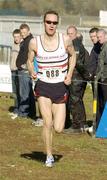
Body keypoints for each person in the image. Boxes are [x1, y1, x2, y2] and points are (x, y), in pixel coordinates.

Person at [27, 10, 76, 167]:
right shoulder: (35, 42)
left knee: (59, 128)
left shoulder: (65, 40)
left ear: (57, 24)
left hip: (60, 86)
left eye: (54, 23)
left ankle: (50, 143)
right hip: (43, 86)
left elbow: (73, 55)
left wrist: (69, 74)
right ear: (44, 22)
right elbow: (29, 61)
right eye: (49, 22)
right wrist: (32, 71)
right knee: (47, 122)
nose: (51, 25)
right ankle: (49, 156)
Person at [64, 25, 90, 133]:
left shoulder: (76, 45)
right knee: (76, 101)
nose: (70, 35)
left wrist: (85, 75)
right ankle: (81, 124)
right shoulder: (70, 44)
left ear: (75, 34)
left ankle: (77, 126)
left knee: (75, 101)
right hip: (73, 77)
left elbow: (78, 63)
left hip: (76, 78)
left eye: (71, 33)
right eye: (68, 34)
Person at [11, 24, 36, 119]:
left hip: (25, 71)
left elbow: (32, 56)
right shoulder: (26, 41)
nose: (23, 34)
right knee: (28, 92)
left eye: (24, 32)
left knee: (24, 92)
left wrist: (26, 66)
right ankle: (31, 112)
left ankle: (23, 113)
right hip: (22, 70)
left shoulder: (30, 41)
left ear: (29, 31)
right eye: (22, 33)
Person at [95, 29, 107, 129]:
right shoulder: (102, 47)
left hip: (105, 79)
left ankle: (104, 126)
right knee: (101, 103)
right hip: (102, 79)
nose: (99, 39)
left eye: (100, 37)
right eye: (97, 37)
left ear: (106, 36)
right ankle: (101, 126)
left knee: (105, 103)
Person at [9, 29, 22, 115]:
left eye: (18, 36)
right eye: (15, 37)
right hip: (13, 71)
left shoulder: (22, 46)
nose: (16, 38)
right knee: (15, 92)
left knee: (20, 91)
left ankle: (21, 109)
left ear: (21, 36)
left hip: (19, 71)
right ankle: (16, 109)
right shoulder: (13, 45)